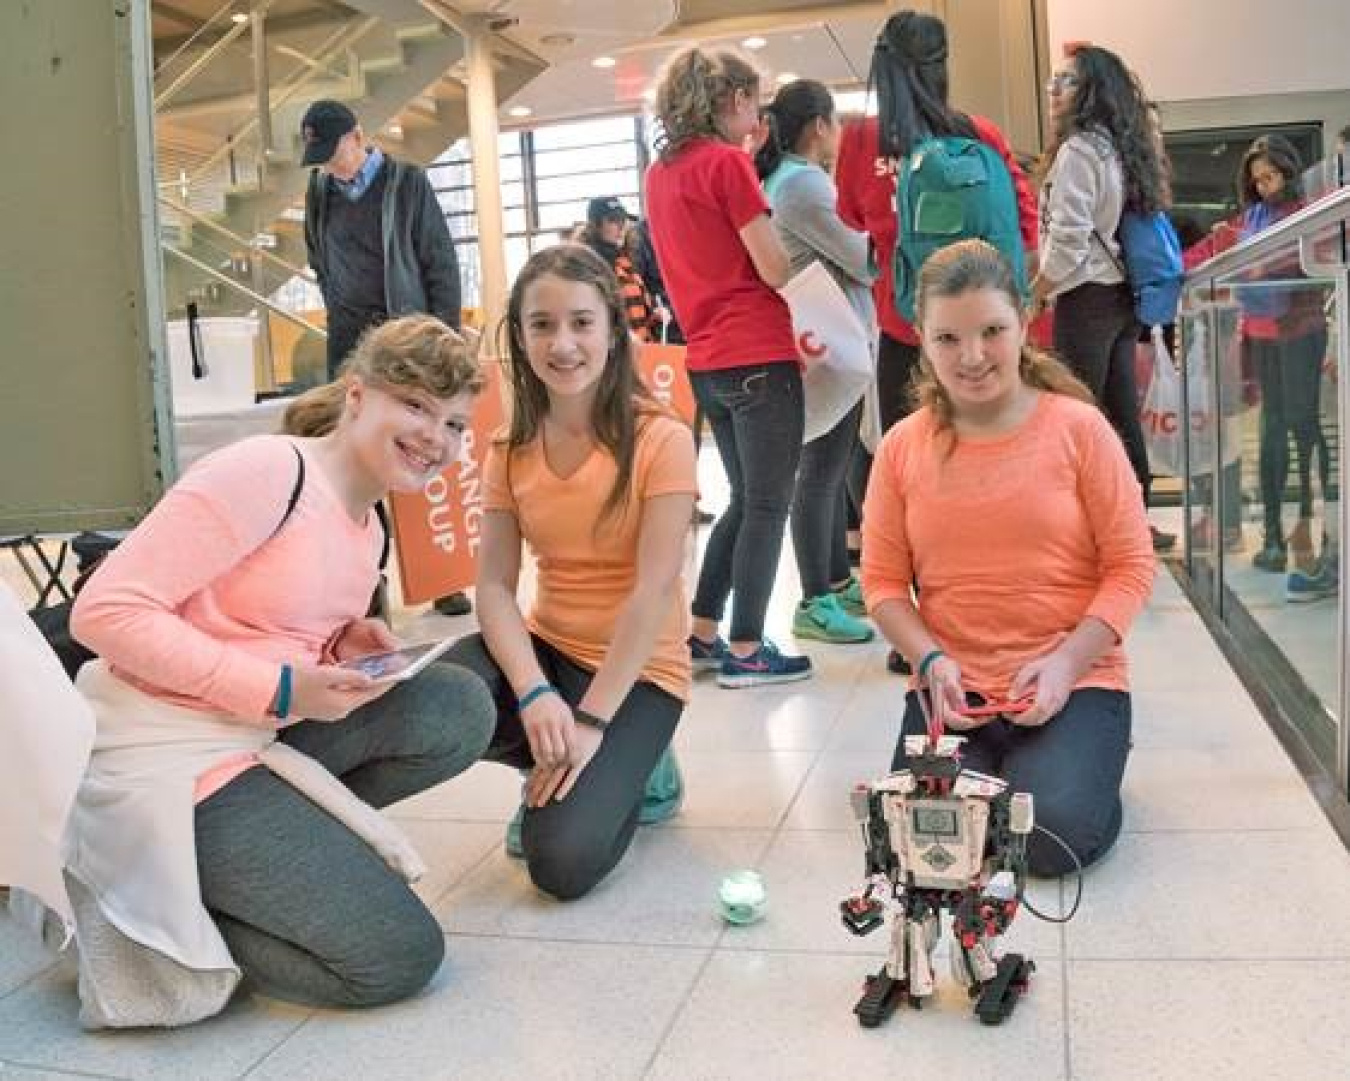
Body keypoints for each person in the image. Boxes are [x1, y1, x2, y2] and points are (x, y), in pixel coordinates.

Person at [66, 315, 496, 1024]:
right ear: (358, 396)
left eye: (453, 423)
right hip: (166, 752)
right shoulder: (268, 471)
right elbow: (104, 612)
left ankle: (261, 868)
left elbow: (262, 623)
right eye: (415, 405)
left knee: (456, 706)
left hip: (251, 737)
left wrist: (338, 647)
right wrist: (284, 686)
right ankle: (160, 921)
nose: (435, 437)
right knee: (396, 954)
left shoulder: (370, 525)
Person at [862, 240, 1155, 875]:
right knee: (920, 840)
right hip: (953, 689)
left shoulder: (1079, 429)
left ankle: (1083, 758)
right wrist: (930, 659)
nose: (972, 357)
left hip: (1074, 679)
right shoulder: (901, 448)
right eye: (948, 339)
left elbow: (1132, 566)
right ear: (923, 340)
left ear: (1024, 321)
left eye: (992, 331)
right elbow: (883, 583)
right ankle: (1026, 770)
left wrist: (1064, 664)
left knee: (1050, 840)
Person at [446, 246, 697, 899]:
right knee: (442, 696)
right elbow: (495, 585)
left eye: (582, 322)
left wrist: (590, 722)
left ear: (614, 330)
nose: (563, 344)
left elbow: (654, 589)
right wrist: (532, 691)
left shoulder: (661, 438)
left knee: (559, 865)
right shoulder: (506, 446)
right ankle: (556, 760)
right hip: (550, 652)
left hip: (639, 672)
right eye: (542, 324)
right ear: (519, 335)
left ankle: (634, 764)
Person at [834, 9, 1037, 674]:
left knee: (912, 484)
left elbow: (852, 219)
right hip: (987, 339)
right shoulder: (978, 134)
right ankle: (999, 617)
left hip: (907, 331)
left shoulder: (859, 141)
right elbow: (1026, 226)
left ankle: (921, 632)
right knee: (996, 471)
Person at [645, 46, 813, 687]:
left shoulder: (660, 173)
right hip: (759, 353)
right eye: (754, 100)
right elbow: (774, 267)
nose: (760, 113)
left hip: (707, 359)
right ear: (733, 99)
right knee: (770, 504)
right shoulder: (726, 165)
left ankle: (705, 630)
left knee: (745, 499)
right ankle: (747, 648)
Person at [300, 98, 472, 616]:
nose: (330, 165)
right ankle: (364, 582)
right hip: (350, 348)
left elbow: (439, 262)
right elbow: (319, 259)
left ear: (357, 137)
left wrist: (447, 343)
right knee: (357, 462)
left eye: (335, 153)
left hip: (408, 346)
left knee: (419, 453)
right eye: (321, 157)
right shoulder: (320, 191)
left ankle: (442, 575)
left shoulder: (406, 183)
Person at [1034, 45, 1175, 553]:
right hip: (1118, 298)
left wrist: (1037, 292)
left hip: (1086, 298)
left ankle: (1081, 531)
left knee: (1074, 416)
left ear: (1091, 90)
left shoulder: (1078, 151)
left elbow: (1068, 241)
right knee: (1118, 413)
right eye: (1052, 83)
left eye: (1065, 83)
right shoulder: (1115, 147)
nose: (1053, 92)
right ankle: (1134, 524)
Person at [755, 78, 876, 645]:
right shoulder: (804, 185)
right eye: (836, 124)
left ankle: (834, 577)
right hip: (832, 343)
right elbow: (862, 256)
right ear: (819, 125)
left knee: (830, 460)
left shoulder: (786, 179)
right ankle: (814, 601)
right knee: (822, 471)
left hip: (825, 340)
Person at [1184, 134, 1332, 587]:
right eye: (1258, 180)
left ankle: (1314, 523)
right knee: (1271, 431)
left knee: (1302, 426)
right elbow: (1223, 257)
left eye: (1271, 176)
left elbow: (1314, 262)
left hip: (1301, 331)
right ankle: (1272, 533)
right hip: (1263, 334)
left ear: (1289, 170)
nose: (1266, 185)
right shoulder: (1253, 216)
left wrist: (1264, 267)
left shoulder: (1310, 208)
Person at [579, 196, 662, 341]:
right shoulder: (587, 266)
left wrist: (655, 314)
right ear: (595, 225)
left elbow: (637, 312)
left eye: (623, 220)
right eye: (612, 220)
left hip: (642, 350)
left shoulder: (626, 263)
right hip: (615, 354)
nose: (621, 226)